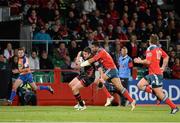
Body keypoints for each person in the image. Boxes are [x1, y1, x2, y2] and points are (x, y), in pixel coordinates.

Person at [79, 42, 136, 111]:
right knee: (120, 87)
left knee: (99, 81)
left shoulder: (101, 52)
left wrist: (82, 64)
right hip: (114, 70)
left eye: (93, 47)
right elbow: (96, 62)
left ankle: (109, 96)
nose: (92, 49)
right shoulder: (100, 52)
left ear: (97, 47)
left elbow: (93, 60)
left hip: (111, 70)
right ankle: (132, 100)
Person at [134, 34, 179, 114]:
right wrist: (163, 67)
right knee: (140, 85)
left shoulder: (150, 48)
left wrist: (139, 61)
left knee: (160, 94)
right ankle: (156, 95)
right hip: (154, 73)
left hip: (155, 74)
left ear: (150, 41)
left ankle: (174, 107)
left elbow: (148, 62)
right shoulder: (158, 49)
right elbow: (166, 57)